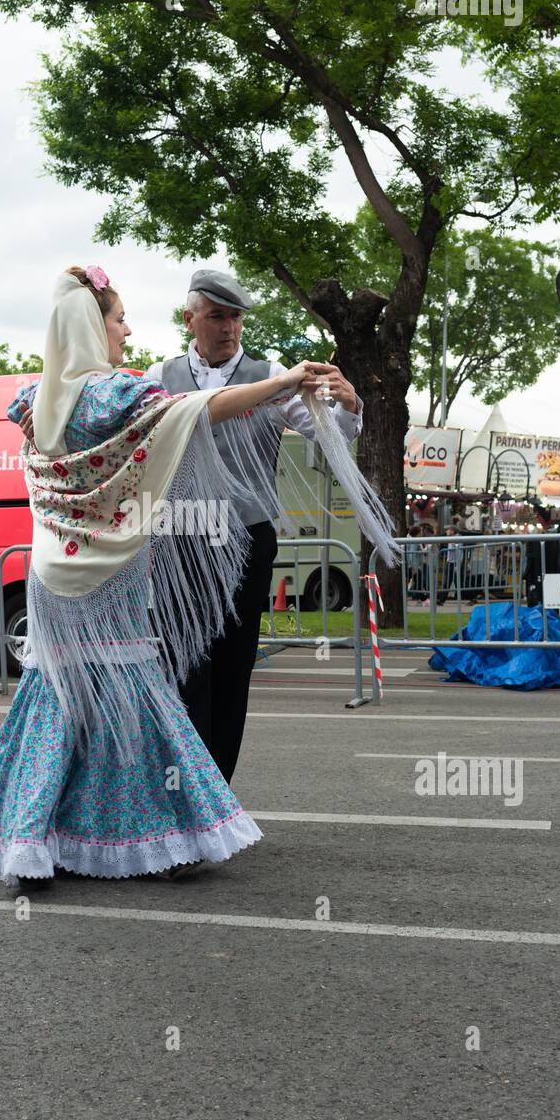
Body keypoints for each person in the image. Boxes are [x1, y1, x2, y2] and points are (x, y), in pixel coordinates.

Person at [0, 266, 349, 887]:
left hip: (54, 571)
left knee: (57, 701)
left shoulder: (36, 398)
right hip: (113, 573)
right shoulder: (116, 393)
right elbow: (197, 411)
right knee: (141, 700)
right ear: (90, 326)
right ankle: (173, 827)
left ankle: (26, 833)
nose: (127, 330)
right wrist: (288, 379)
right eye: (118, 318)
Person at [144, 270, 364, 783]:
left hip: (246, 537)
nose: (229, 328)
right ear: (189, 319)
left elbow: (330, 438)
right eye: (217, 316)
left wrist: (351, 407)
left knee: (233, 664)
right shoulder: (159, 376)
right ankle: (185, 790)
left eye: (236, 317)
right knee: (182, 663)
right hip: (180, 537)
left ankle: (215, 791)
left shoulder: (273, 376)